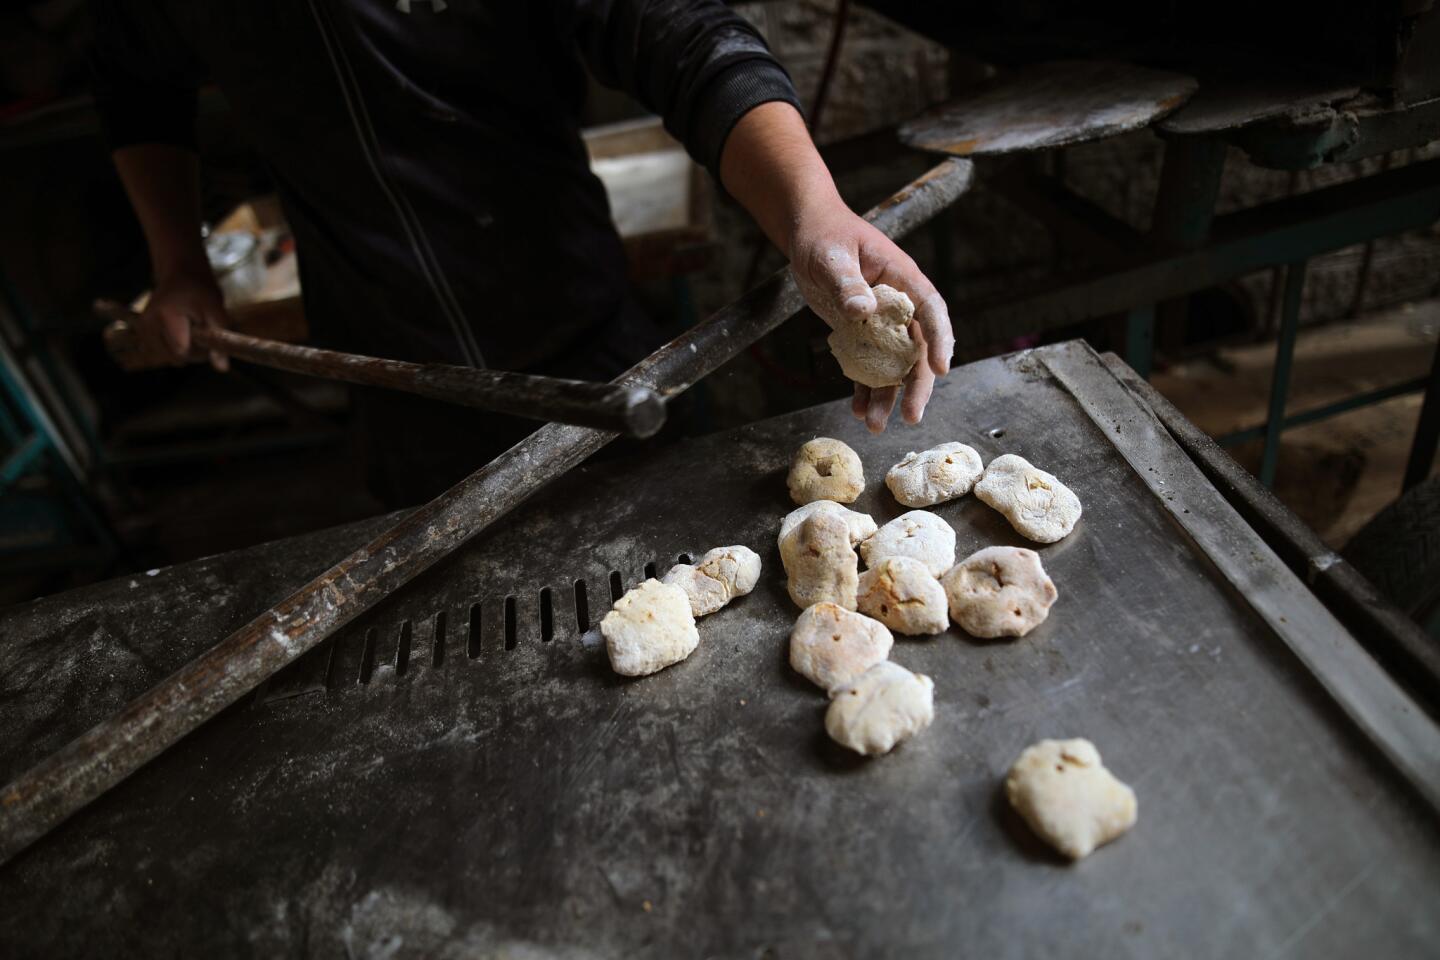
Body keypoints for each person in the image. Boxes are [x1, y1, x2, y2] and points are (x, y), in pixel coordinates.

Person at [91, 0, 953, 504]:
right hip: (387, 373)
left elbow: (681, 37)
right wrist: (179, 264)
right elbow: (134, 81)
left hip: (589, 346)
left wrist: (813, 210)